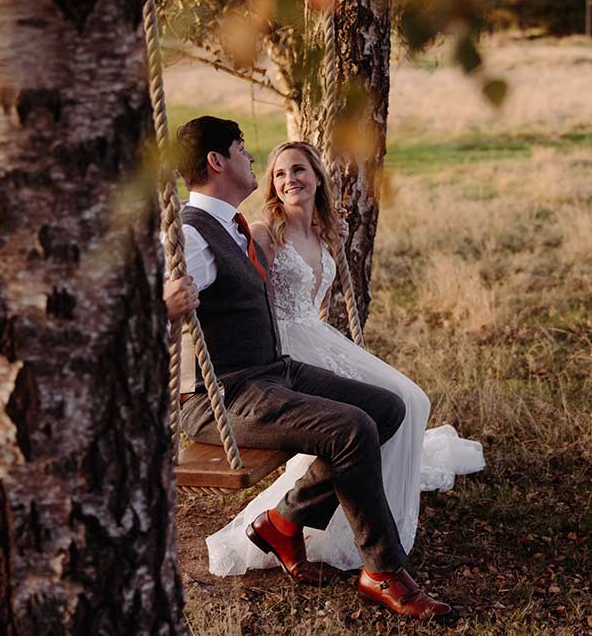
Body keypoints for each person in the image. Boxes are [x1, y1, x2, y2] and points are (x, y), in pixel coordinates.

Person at [171, 116, 453, 620]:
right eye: (242, 150)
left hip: (271, 372)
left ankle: (283, 521)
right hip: (226, 398)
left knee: (387, 408)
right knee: (350, 428)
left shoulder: (232, 227)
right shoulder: (192, 237)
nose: (252, 159)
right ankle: (383, 571)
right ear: (217, 161)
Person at [205, 141, 485, 576]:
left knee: (409, 400)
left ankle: (326, 514)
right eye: (279, 174)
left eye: (298, 170)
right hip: (281, 347)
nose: (288, 180)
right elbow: (247, 301)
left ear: (317, 176)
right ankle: (344, 531)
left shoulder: (324, 230)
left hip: (318, 336)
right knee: (377, 412)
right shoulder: (264, 233)